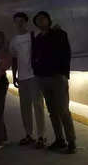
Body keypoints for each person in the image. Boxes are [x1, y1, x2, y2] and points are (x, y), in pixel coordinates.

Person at [32, 11, 76, 154]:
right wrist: (36, 72)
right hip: (43, 78)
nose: (40, 21)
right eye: (37, 20)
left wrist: (64, 74)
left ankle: (71, 141)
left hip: (57, 78)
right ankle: (59, 139)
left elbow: (66, 53)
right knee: (52, 111)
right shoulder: (37, 38)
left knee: (63, 110)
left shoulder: (59, 34)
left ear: (49, 20)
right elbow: (34, 57)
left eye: (43, 18)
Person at [10, 12, 47, 149]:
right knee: (24, 107)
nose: (19, 23)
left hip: (34, 76)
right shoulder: (13, 41)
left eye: (21, 21)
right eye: (16, 21)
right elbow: (14, 59)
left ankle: (41, 136)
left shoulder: (34, 35)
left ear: (26, 22)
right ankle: (29, 135)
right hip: (22, 78)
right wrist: (15, 76)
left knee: (38, 105)